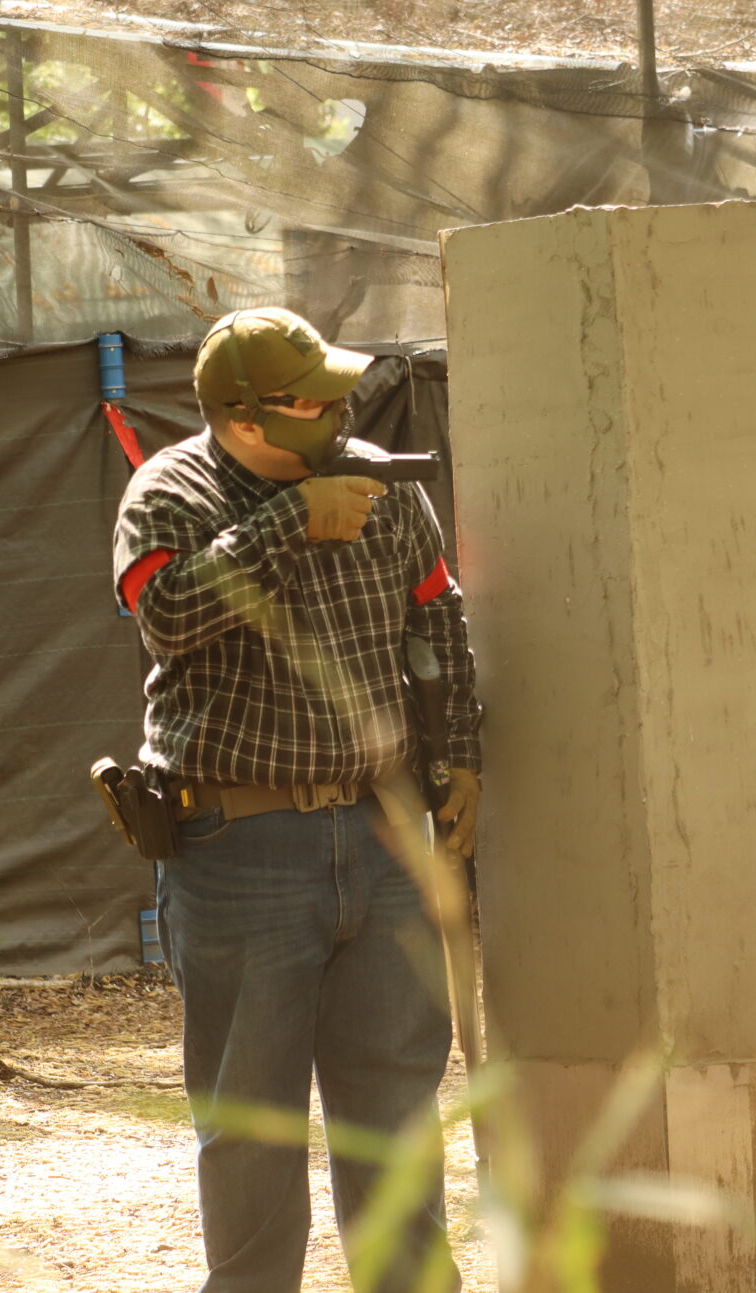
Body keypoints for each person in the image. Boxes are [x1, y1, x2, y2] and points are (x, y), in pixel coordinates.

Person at [111, 306, 481, 1293]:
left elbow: (441, 619)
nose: (338, 411)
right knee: (251, 1121)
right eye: (313, 401)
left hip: (383, 832)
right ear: (244, 418)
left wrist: (462, 759)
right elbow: (166, 615)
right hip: (241, 842)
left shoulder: (384, 486)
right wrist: (290, 522)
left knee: (395, 1107)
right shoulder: (171, 492)